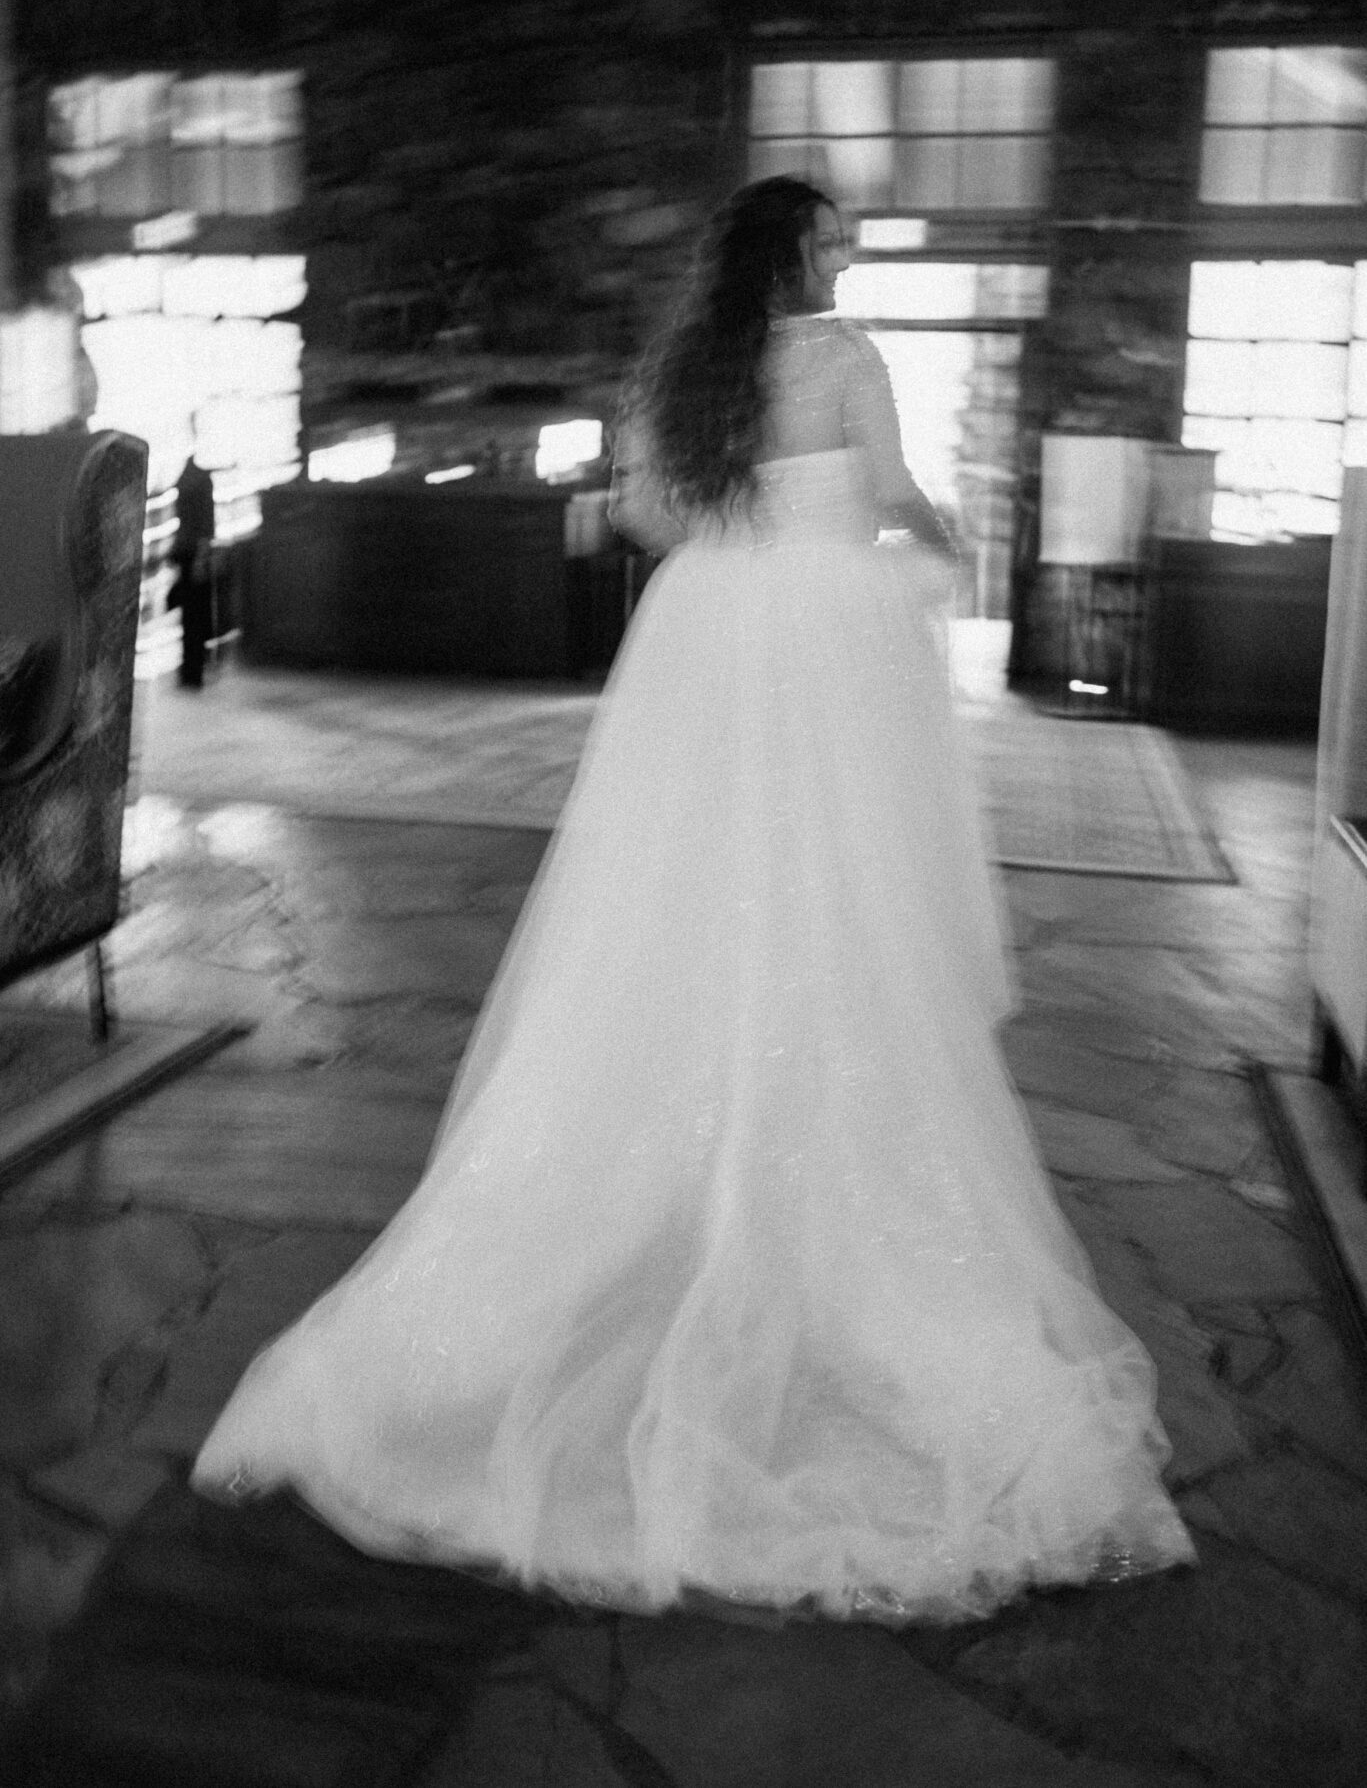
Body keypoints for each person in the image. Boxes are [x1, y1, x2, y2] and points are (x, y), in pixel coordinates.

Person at [193, 177, 1194, 1621]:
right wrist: (941, 547)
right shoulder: (844, 356)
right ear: (790, 250)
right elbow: (890, 491)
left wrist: (742, 536)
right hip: (826, 637)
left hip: (707, 632)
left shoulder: (679, 368)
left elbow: (645, 515)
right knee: (831, 881)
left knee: (678, 880)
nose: (848, 251)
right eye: (834, 235)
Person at [169, 445, 215, 689]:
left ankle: (190, 671)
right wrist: (202, 559)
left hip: (187, 553)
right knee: (197, 614)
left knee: (190, 616)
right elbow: (206, 525)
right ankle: (193, 671)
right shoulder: (201, 480)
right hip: (195, 555)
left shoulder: (187, 479)